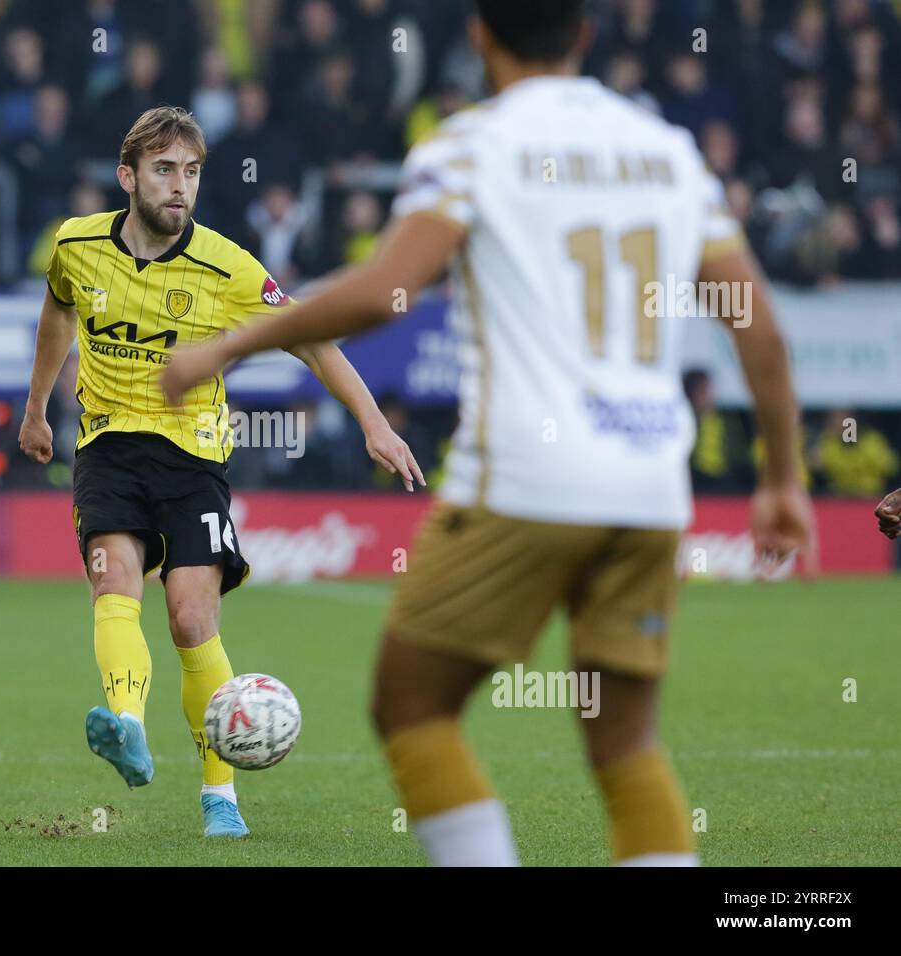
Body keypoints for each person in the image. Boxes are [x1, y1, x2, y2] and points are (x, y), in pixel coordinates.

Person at [162, 0, 815, 866]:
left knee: (413, 705)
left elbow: (384, 290)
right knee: (625, 743)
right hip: (652, 487)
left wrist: (233, 343)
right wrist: (783, 479)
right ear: (584, 35)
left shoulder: (470, 144)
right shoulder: (668, 152)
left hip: (526, 479)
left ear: (478, 37)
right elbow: (761, 330)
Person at [17, 106, 423, 839]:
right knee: (115, 585)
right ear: (128, 176)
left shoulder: (227, 266)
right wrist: (37, 407)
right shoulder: (75, 245)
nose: (180, 187)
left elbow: (311, 340)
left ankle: (220, 796)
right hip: (107, 446)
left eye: (192, 172)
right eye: (166, 170)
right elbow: (57, 312)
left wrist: (374, 423)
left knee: (190, 618)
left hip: (194, 456)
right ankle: (128, 725)